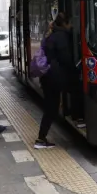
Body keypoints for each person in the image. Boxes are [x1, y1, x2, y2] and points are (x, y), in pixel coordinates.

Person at [36, 13, 75, 149]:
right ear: (65, 24)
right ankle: (41, 139)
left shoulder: (50, 36)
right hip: (54, 77)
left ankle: (42, 138)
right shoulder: (62, 37)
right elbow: (65, 59)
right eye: (70, 23)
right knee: (51, 108)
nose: (71, 26)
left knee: (51, 107)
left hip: (48, 77)